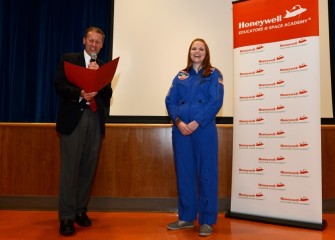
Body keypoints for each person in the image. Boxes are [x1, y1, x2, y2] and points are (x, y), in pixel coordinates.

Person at [54, 26, 112, 236]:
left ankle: (80, 210)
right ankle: (66, 217)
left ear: (102, 45)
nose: (94, 44)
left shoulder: (103, 65)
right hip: (74, 120)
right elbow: (59, 85)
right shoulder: (69, 59)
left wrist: (101, 81)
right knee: (70, 170)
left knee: (88, 169)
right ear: (84, 40)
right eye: (91, 40)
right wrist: (79, 93)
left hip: (95, 121)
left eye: (98, 42)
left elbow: (107, 95)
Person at [165, 38, 224, 237]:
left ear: (206, 53)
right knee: (185, 172)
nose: (196, 52)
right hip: (181, 131)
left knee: (207, 172)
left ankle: (207, 220)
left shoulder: (214, 74)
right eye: (193, 48)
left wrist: (197, 121)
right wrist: (179, 121)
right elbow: (170, 100)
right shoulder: (180, 76)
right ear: (189, 52)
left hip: (203, 129)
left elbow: (216, 101)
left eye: (201, 49)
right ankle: (187, 217)